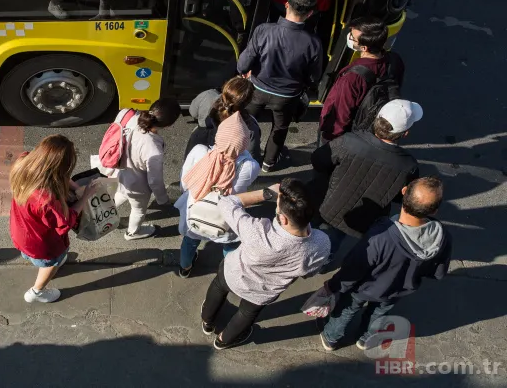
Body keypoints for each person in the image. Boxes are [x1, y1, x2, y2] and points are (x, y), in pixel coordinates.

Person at [319, 177, 451, 351]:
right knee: (379, 313)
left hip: (364, 288)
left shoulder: (381, 235)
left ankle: (331, 337)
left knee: (347, 308)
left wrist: (334, 285)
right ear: (434, 211)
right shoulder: (442, 236)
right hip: (396, 290)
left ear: (403, 192)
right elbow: (438, 271)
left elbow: (353, 268)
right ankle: (366, 339)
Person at [201, 179, 330, 350]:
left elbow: (226, 202)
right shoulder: (322, 244)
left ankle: (207, 322)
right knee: (247, 313)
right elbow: (309, 273)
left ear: (283, 219)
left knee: (218, 287)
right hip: (263, 292)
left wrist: (265, 193)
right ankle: (223, 340)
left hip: (233, 273)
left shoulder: (258, 231)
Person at [311, 99, 422, 269]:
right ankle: (323, 260)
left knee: (312, 231)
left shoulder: (348, 141)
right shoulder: (409, 166)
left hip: (327, 204)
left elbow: (318, 160)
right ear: (404, 133)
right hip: (362, 219)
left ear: (378, 120)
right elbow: (402, 198)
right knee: (335, 238)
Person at [237, 0, 323, 172]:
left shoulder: (264, 30)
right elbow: (314, 77)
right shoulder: (314, 43)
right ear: (309, 14)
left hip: (257, 88)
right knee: (280, 128)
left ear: (286, 4)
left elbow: (243, 64)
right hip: (287, 96)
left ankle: (243, 156)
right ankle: (269, 163)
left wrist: (248, 72)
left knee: (246, 122)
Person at [177, 112, 259, 278]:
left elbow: (184, 184)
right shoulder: (249, 165)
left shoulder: (199, 151)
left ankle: (185, 268)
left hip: (195, 212)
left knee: (190, 240)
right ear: (244, 143)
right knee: (230, 245)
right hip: (225, 218)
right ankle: (228, 272)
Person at [9, 134, 80, 304]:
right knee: (50, 264)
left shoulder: (24, 161)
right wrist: (86, 197)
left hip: (21, 231)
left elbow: (56, 174)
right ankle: (37, 291)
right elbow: (66, 221)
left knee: (31, 254)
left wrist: (76, 187)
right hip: (43, 244)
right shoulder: (45, 199)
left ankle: (35, 261)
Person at [319, 18, 405, 143]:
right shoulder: (395, 60)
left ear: (364, 48)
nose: (349, 37)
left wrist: (329, 140)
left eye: (352, 37)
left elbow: (340, 115)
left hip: (347, 136)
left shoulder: (352, 78)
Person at [115, 97, 182, 240]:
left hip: (120, 171)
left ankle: (105, 215)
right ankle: (132, 233)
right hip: (137, 184)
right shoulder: (153, 149)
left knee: (121, 193)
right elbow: (155, 181)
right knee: (138, 210)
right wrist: (162, 199)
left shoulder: (132, 117)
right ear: (169, 125)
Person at [186, 76, 262, 163]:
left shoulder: (207, 95)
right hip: (223, 164)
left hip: (198, 144)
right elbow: (252, 157)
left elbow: (193, 112)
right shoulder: (250, 127)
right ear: (248, 101)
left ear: (225, 87)